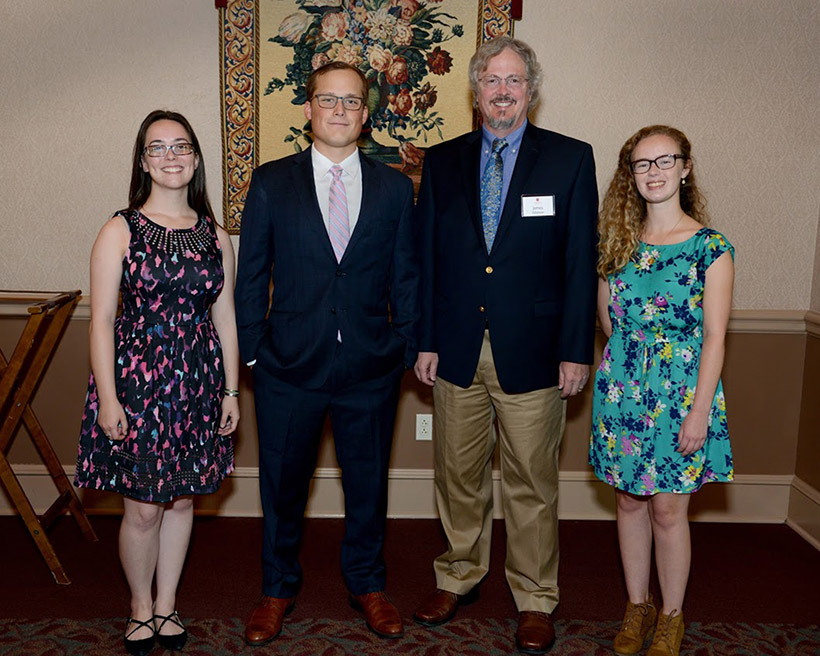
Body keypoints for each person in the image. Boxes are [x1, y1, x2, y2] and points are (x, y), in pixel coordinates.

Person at [413, 36, 599, 654]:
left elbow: (579, 263)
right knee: (458, 474)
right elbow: (427, 261)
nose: (502, 90)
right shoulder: (441, 162)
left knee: (530, 480)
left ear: (532, 89)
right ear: (475, 89)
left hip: (537, 350)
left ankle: (535, 596)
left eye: (514, 80)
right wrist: (426, 340)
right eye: (491, 79)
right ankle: (458, 574)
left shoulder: (570, 160)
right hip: (457, 348)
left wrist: (576, 349)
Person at [235, 61, 418, 645]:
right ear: (309, 109)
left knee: (368, 483)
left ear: (366, 115)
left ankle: (367, 583)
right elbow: (251, 276)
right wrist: (256, 354)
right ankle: (277, 588)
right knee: (282, 485)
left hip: (370, 365)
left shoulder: (394, 187)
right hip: (287, 366)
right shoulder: (270, 182)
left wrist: (407, 345)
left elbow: (405, 275)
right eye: (328, 100)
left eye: (352, 102)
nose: (339, 111)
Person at [75, 110, 240, 656]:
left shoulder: (216, 236)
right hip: (138, 384)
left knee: (184, 502)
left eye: (181, 146)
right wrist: (109, 399)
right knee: (143, 506)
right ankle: (140, 607)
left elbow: (226, 319)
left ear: (195, 157)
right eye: (158, 148)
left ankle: (167, 604)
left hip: (197, 383)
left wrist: (231, 391)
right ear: (143, 161)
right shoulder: (118, 228)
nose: (171, 156)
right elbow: (100, 320)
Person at [589, 125, 734, 656]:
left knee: (669, 511)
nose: (654, 172)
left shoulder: (710, 248)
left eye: (664, 161)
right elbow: (609, 322)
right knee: (629, 503)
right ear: (631, 175)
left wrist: (698, 414)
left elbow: (716, 338)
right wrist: (631, 371)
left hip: (682, 396)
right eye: (642, 164)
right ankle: (637, 606)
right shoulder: (616, 243)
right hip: (623, 392)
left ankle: (671, 616)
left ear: (685, 167)